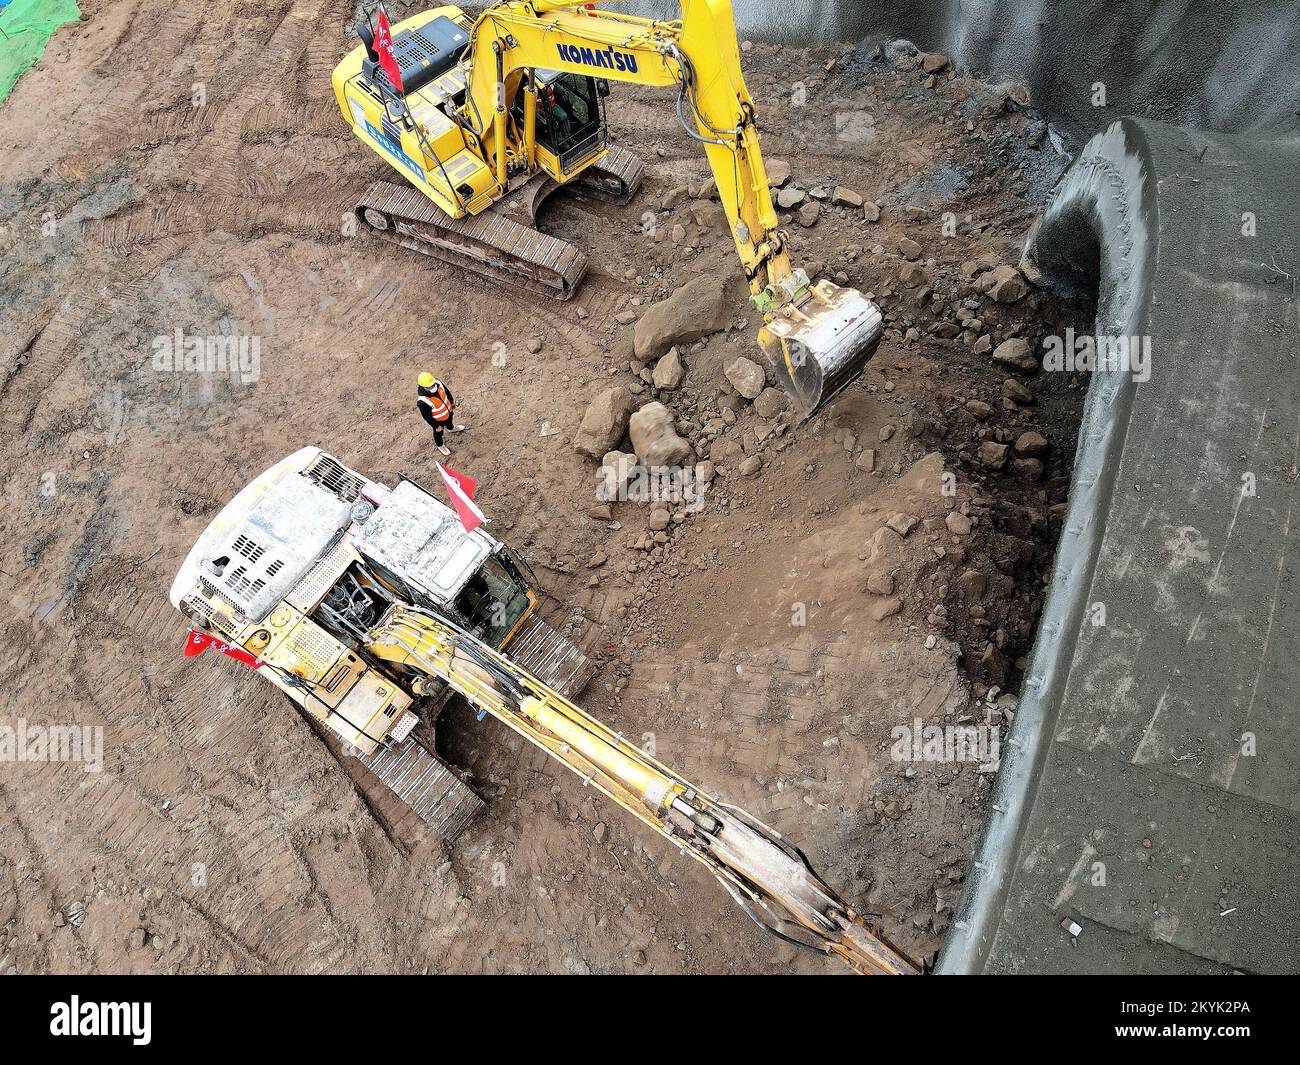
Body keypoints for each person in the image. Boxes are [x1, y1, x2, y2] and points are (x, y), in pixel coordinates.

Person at [416, 371, 463, 456]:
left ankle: (451, 429)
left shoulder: (438, 383)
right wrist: (436, 426)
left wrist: (451, 402)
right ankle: (440, 445)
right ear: (423, 387)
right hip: (438, 420)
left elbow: (447, 392)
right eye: (429, 386)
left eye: (433, 384)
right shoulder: (422, 401)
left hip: (448, 411)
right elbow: (427, 416)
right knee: (438, 433)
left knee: (450, 421)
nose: (432, 387)